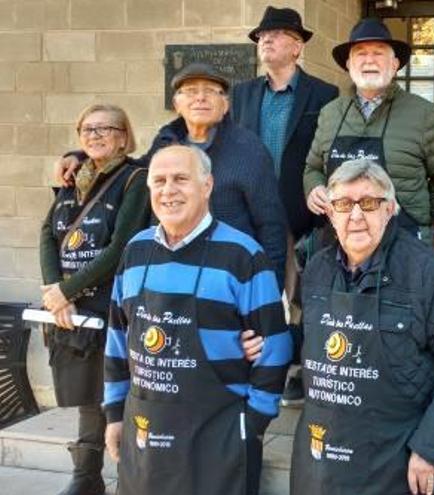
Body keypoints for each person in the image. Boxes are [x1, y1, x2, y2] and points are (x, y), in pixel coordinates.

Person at [292, 159, 434, 495]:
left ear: (390, 209)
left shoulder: (430, 273)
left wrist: (432, 446)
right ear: (330, 213)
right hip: (326, 463)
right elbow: (313, 344)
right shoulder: (317, 271)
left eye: (369, 203)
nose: (356, 215)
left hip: (400, 462)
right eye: (343, 204)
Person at [103, 145, 292, 495]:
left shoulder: (244, 254)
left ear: (207, 186)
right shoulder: (135, 251)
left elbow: (275, 348)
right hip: (146, 432)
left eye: (181, 179)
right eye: (159, 180)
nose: (168, 189)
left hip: (220, 437)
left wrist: (252, 424)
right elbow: (117, 336)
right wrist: (115, 414)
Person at [55, 62, 288, 288]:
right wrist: (82, 156)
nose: (200, 98)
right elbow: (131, 170)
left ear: (225, 104)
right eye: (190, 91)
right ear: (176, 103)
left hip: (227, 277)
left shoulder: (249, 150)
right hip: (167, 273)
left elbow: (271, 227)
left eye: (210, 91)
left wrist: (268, 294)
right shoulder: (165, 142)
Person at [39, 104, 150, 495]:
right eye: (87, 128)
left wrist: (65, 291)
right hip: (72, 309)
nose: (95, 135)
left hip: (115, 307)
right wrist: (56, 292)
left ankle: (131, 478)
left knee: (122, 391)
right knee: (89, 393)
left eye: (106, 128)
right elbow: (47, 235)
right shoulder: (73, 179)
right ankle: (87, 476)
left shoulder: (135, 178)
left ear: (123, 135)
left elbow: (121, 245)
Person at [231, 5, 339, 407]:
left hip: (299, 214)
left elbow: (328, 154)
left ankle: (298, 371)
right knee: (251, 295)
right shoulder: (242, 94)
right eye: (262, 37)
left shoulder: (324, 95)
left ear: (296, 46)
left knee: (302, 299)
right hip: (250, 216)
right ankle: (254, 366)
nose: (266, 42)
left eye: (275, 36)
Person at [304, 18, 434, 241]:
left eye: (378, 53)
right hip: (343, 240)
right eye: (360, 53)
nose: (369, 60)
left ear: (394, 64)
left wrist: (418, 215)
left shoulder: (423, 114)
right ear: (348, 64)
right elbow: (312, 168)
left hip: (403, 239)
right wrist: (314, 188)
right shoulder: (330, 113)